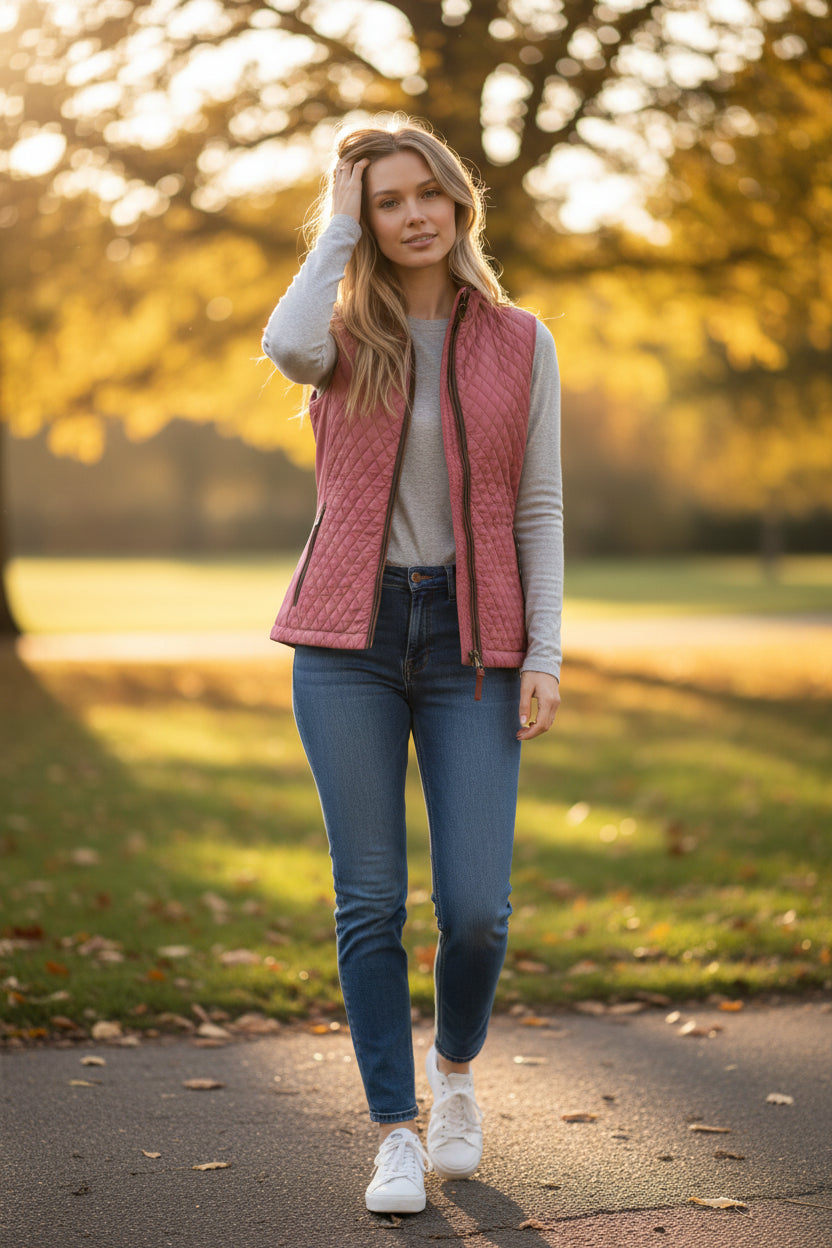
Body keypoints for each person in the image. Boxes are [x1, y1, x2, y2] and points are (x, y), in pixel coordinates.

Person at [261, 117, 563, 1216]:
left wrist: (546, 650)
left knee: (478, 907)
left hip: (473, 646)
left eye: (425, 191)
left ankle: (456, 1074)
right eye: (387, 201)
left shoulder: (521, 339)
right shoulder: (338, 332)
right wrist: (331, 236)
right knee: (370, 902)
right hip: (349, 640)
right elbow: (284, 347)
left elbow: (538, 506)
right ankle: (394, 1128)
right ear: (367, 219)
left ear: (458, 200)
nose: (412, 214)